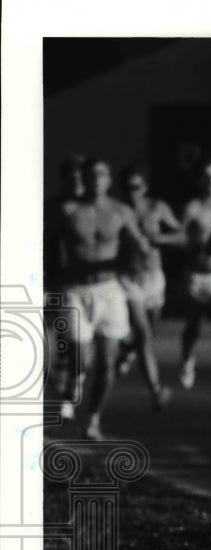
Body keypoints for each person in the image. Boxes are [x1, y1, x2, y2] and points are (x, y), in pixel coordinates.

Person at [52, 158, 153, 439]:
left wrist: (142, 254)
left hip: (109, 290)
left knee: (107, 362)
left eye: (102, 174)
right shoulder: (68, 211)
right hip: (75, 289)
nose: (97, 178)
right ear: (84, 178)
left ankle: (93, 419)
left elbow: (138, 243)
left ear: (109, 180)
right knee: (80, 358)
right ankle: (74, 382)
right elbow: (48, 245)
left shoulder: (121, 211)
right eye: (91, 174)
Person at [117, 166, 183, 410]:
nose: (132, 193)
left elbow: (183, 234)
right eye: (127, 188)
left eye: (136, 187)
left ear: (144, 187)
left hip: (154, 276)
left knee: (149, 332)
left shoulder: (158, 208)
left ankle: (127, 349)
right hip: (127, 277)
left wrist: (161, 240)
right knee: (144, 334)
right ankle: (155, 391)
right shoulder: (119, 211)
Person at [178, 157, 211, 389]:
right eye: (206, 176)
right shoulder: (192, 207)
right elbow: (180, 235)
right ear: (199, 180)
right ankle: (187, 361)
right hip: (197, 274)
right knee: (194, 324)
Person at [44, 154, 85, 418]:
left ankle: (69, 388)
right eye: (71, 176)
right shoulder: (50, 207)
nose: (76, 181)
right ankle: (58, 388)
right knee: (48, 343)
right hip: (52, 281)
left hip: (80, 286)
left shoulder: (92, 209)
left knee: (72, 343)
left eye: (80, 176)